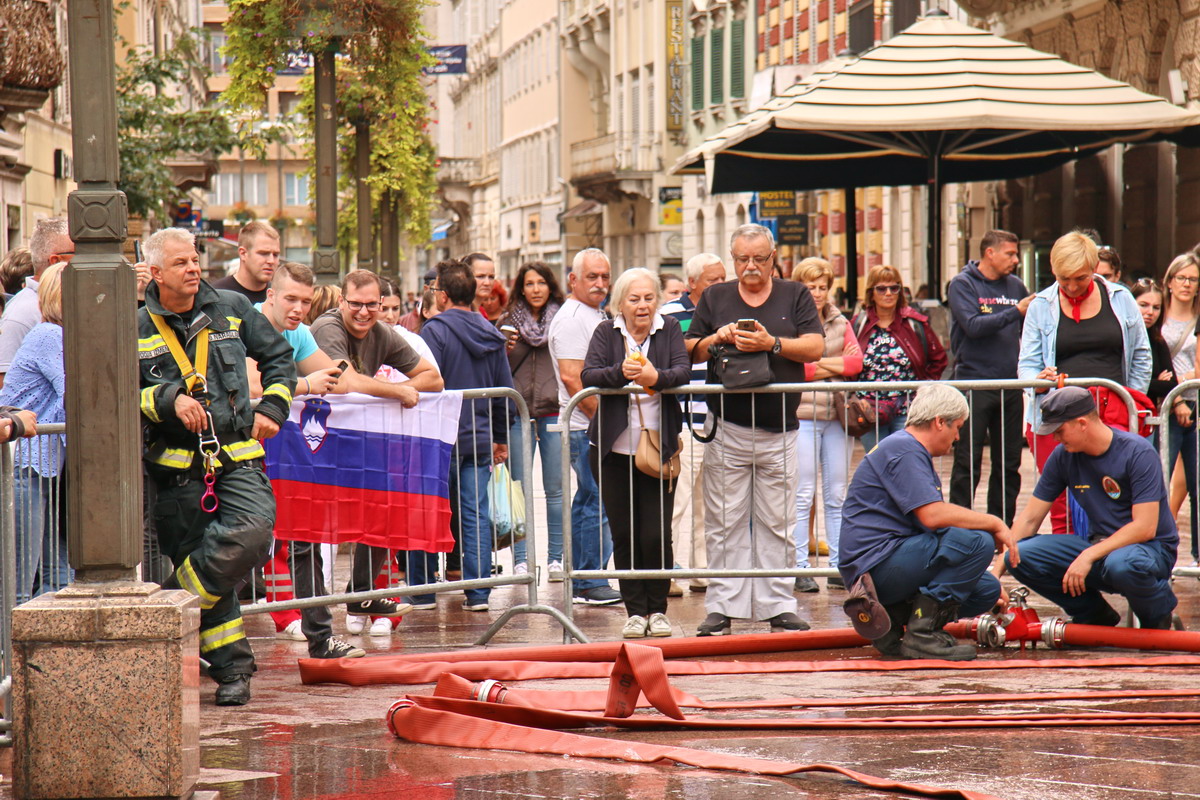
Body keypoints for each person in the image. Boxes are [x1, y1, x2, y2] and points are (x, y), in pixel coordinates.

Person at [137, 227, 296, 706]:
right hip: (177, 470)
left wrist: (273, 408)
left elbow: (280, 359)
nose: (193, 268)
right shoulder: (135, 326)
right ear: (156, 272)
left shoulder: (232, 308)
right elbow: (120, 393)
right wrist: (168, 398)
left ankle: (168, 605)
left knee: (252, 534)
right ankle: (233, 672)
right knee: (213, 575)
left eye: (195, 259)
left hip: (237, 457)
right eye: (181, 263)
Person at [685, 223, 824, 636]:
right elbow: (690, 348)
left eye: (759, 259)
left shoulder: (795, 294)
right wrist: (717, 337)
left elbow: (815, 346)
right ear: (732, 259)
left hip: (780, 428)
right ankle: (722, 606)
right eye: (742, 259)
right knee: (724, 522)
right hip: (727, 426)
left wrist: (771, 344)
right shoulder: (716, 296)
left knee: (777, 522)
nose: (750, 267)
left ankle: (777, 605)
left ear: (773, 257)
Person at [839, 384, 1013, 660]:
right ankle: (922, 636)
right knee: (978, 541)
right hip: (875, 569)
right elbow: (933, 517)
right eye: (958, 427)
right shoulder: (905, 449)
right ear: (939, 422)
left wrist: (975, 571)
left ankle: (893, 623)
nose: (958, 437)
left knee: (987, 589)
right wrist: (993, 522)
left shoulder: (906, 448)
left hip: (883, 563)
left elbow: (936, 524)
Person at [250, 262, 369, 655]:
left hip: (285, 455)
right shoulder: (246, 323)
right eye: (290, 299)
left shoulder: (299, 332)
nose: (299, 308)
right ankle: (208, 638)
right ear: (271, 295)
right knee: (238, 547)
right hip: (240, 455)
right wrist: (303, 384)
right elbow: (250, 386)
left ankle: (320, 638)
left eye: (305, 300)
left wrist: (393, 390)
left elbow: (340, 379)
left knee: (305, 539)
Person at [310, 270, 444, 617]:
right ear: (342, 302)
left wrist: (401, 389)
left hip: (353, 438)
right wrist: (398, 392)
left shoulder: (381, 332)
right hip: (313, 436)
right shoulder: (327, 327)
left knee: (386, 502)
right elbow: (346, 380)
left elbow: (434, 378)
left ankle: (361, 593)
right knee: (306, 526)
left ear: (382, 303)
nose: (364, 312)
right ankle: (307, 610)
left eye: (372, 304)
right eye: (356, 304)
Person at [1003, 387, 1178, 629]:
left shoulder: (1137, 452)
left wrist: (1088, 556)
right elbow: (1030, 518)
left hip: (1149, 549)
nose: (1055, 439)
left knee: (1122, 566)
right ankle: (1094, 616)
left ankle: (1157, 618)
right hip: (1101, 548)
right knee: (1020, 556)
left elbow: (1145, 528)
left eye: (1059, 431)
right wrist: (996, 574)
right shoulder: (1063, 455)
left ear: (1082, 423)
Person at [582, 268, 691, 638]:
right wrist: (621, 372)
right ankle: (635, 612)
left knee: (655, 534)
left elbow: (682, 371)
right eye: (634, 299)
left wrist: (654, 378)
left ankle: (657, 609)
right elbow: (589, 375)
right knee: (625, 534)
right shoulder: (606, 332)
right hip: (613, 450)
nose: (642, 306)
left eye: (648, 298)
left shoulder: (669, 329)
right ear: (620, 303)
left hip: (658, 449)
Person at [1018, 231, 1151, 534]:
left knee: (1117, 494)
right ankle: (1066, 558)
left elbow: (1141, 356)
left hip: (1112, 412)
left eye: (1080, 278)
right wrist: (1037, 382)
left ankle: (1113, 554)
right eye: (1063, 279)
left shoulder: (1120, 298)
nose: (1072, 286)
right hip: (1057, 415)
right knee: (1061, 503)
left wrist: (1130, 399)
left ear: (1093, 268)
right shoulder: (1041, 305)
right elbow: (1026, 365)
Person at [412, 259, 514, 612]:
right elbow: (504, 391)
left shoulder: (434, 332)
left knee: (429, 511)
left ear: (442, 295)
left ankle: (422, 590)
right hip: (478, 437)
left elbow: (425, 383)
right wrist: (500, 436)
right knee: (475, 514)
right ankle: (478, 592)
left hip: (438, 439)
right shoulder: (492, 334)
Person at [548, 248, 622, 606]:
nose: (600, 283)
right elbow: (571, 377)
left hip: (590, 423)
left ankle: (586, 577)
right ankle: (589, 580)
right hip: (585, 425)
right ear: (573, 279)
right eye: (592, 277)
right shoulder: (573, 318)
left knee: (593, 499)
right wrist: (603, 421)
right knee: (597, 499)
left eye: (605, 276)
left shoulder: (594, 313)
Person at [946, 230, 1032, 524]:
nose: (1015, 259)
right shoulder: (963, 284)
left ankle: (1002, 526)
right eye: (1010, 253)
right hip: (974, 383)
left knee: (1008, 463)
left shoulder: (1016, 286)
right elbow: (972, 326)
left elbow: (1028, 332)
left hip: (1010, 384)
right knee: (967, 462)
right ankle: (959, 526)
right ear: (989, 253)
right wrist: (1015, 311)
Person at [790, 258, 862, 593]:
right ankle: (799, 565)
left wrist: (817, 362)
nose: (817, 293)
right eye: (810, 287)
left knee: (837, 493)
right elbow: (795, 368)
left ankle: (837, 565)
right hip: (802, 415)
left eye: (822, 287)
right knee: (803, 493)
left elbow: (856, 363)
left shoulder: (839, 320)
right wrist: (835, 364)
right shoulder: (790, 319)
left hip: (836, 415)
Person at [660, 253, 729, 594]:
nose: (720, 285)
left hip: (720, 419)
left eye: (723, 279)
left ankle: (703, 571)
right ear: (692, 283)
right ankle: (668, 571)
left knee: (711, 503)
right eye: (713, 280)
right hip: (684, 421)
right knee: (679, 501)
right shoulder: (670, 313)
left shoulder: (729, 310)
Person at [0, 264, 69, 603]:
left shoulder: (59, 335)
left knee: (60, 576)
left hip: (46, 469)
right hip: (27, 465)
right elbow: (74, 396)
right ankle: (9, 640)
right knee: (19, 583)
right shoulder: (49, 335)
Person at [497, 261, 564, 578]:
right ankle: (521, 559)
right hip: (517, 413)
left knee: (556, 490)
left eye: (541, 283)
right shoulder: (508, 322)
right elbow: (498, 368)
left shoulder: (562, 319)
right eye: (529, 283)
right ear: (521, 289)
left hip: (554, 411)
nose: (536, 289)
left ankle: (556, 558)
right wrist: (505, 347)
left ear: (550, 286)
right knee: (519, 489)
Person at [853, 264, 947, 451]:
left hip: (906, 409)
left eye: (894, 288)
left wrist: (923, 391)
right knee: (878, 461)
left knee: (904, 459)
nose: (888, 293)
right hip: (869, 410)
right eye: (881, 288)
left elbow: (939, 358)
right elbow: (847, 361)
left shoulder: (913, 323)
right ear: (871, 292)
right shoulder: (859, 324)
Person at [1158, 253, 1200, 566]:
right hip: (1163, 407)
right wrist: (1175, 396)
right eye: (1181, 278)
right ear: (1169, 281)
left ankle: (1197, 555)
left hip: (1195, 403)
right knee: (1158, 481)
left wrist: (1177, 381)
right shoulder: (1156, 314)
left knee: (1195, 484)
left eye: (1193, 279)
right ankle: (1159, 552)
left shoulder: (1198, 318)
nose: (1187, 284)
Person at [0, 218, 74, 389]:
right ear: (56, 261)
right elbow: (5, 383)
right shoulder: (22, 313)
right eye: (78, 253)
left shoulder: (61, 303)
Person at [213, 221, 280, 303]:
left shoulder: (280, 296)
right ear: (243, 253)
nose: (271, 261)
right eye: (263, 253)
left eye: (275, 255)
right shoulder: (216, 296)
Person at [464, 252, 497, 318]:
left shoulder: (482, 312)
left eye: (491, 277)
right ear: (465, 277)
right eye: (481, 276)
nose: (487, 283)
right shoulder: (462, 312)